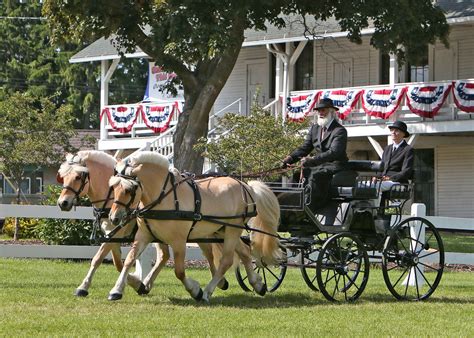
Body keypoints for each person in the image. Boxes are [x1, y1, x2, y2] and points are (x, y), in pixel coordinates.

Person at [282, 98, 348, 212]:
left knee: (314, 176)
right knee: (296, 177)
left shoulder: (339, 130)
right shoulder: (315, 128)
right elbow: (305, 147)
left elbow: (334, 152)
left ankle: (310, 209)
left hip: (335, 166)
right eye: (319, 111)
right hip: (319, 165)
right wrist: (291, 158)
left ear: (332, 112)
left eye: (324, 110)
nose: (321, 113)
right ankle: (290, 206)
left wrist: (313, 159)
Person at [377, 120, 414, 192]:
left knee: (375, 186)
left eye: (396, 130)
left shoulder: (408, 150)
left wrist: (390, 178)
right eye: (391, 130)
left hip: (398, 183)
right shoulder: (387, 148)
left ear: (403, 134)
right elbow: (381, 167)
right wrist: (377, 177)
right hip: (383, 181)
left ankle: (377, 203)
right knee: (362, 184)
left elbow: (406, 172)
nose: (393, 132)